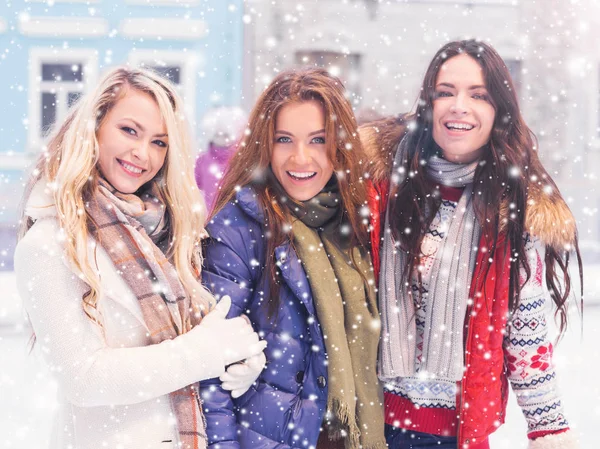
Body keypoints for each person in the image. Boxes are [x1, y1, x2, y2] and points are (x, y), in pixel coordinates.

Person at [14, 67, 266, 449]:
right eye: (129, 130)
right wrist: (206, 352)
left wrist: (235, 359)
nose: (142, 153)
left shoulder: (168, 233)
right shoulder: (49, 243)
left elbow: (188, 343)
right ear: (94, 127)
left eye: (159, 142)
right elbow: (82, 379)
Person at [360, 40, 582, 449]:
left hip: (452, 435)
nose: (458, 106)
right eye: (445, 92)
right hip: (365, 426)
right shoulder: (379, 188)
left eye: (478, 95)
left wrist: (548, 428)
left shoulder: (508, 212)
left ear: (499, 111)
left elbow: (525, 330)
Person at [199, 67, 386, 449]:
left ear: (340, 145)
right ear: (265, 145)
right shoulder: (240, 228)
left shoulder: (359, 223)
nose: (300, 158)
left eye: (318, 140)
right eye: (284, 139)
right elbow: (210, 371)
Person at [194, 106, 247, 211]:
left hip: (235, 217)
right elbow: (193, 187)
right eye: (218, 134)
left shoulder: (241, 160)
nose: (222, 139)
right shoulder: (202, 160)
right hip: (209, 217)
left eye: (226, 135)